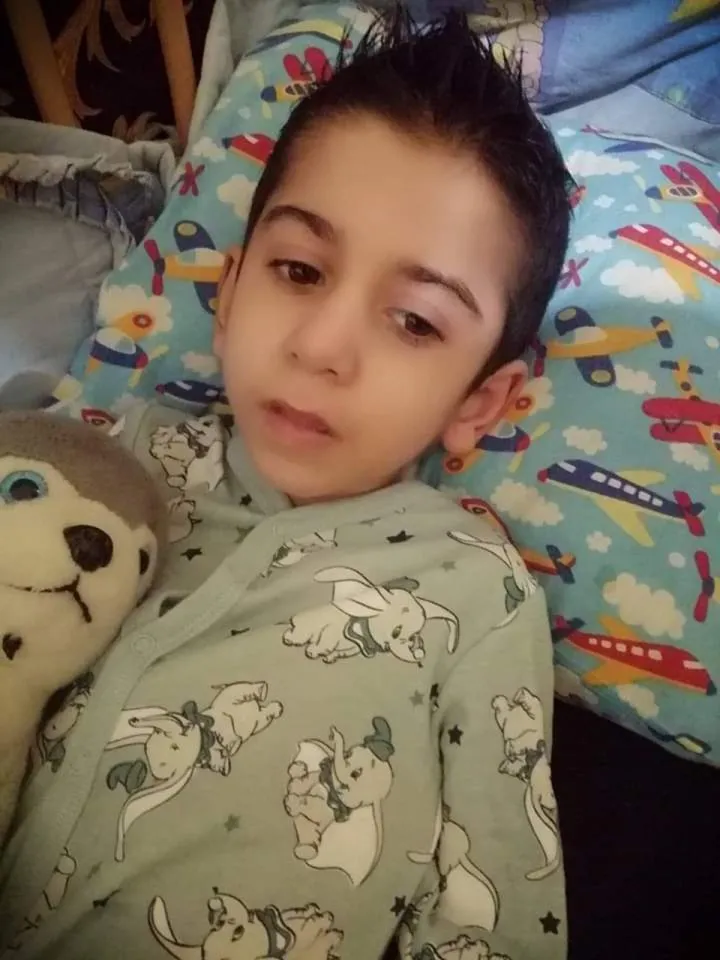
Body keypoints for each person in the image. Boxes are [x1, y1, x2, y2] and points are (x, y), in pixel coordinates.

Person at [0, 6, 573, 959]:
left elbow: (496, 907)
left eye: (417, 321)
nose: (320, 346)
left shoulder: (474, 587)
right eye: (300, 270)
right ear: (229, 294)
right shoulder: (112, 457)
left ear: (481, 400)